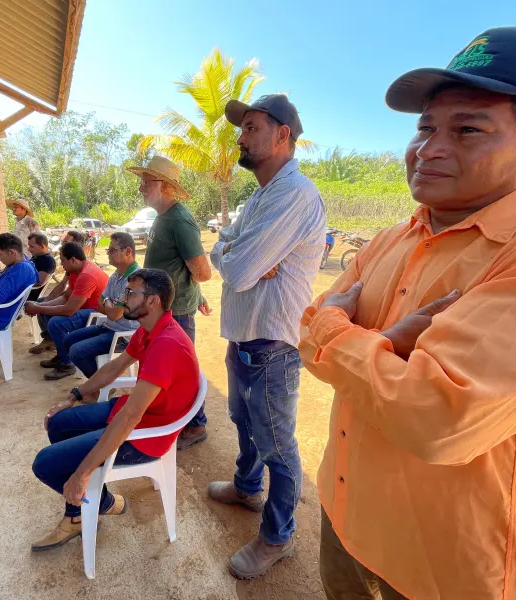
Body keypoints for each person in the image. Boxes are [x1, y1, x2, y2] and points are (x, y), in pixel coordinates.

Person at [300, 28, 516, 600]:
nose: (429, 149)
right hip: (342, 511)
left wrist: (335, 333)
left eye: (467, 129)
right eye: (425, 128)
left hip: (438, 560)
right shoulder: (392, 238)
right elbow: (307, 333)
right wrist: (379, 345)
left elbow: (438, 418)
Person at [206, 94, 326, 580]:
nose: (242, 136)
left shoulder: (294, 194)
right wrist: (235, 253)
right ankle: (247, 487)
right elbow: (222, 254)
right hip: (244, 338)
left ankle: (278, 536)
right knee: (243, 421)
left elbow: (237, 271)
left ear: (282, 135)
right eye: (243, 128)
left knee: (277, 444)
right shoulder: (258, 197)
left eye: (252, 127)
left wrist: (238, 258)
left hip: (274, 346)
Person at [30, 268, 199, 551]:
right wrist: (74, 395)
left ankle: (82, 511)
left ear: (153, 300)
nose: (123, 299)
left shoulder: (167, 344)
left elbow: (131, 417)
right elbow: (115, 367)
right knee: (59, 422)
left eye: (131, 293)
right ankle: (102, 502)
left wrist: (82, 474)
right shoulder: (149, 329)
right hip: (134, 416)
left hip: (146, 437)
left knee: (45, 464)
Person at [127, 156, 212, 449]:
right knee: (164, 369)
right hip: (163, 309)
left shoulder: (179, 221)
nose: (141, 187)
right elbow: (178, 266)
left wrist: (192, 294)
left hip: (177, 312)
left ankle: (196, 424)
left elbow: (202, 272)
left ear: (163, 185)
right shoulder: (162, 216)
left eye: (146, 182)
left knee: (181, 372)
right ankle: (173, 418)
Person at [57, 232, 140, 391]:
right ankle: (102, 383)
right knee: (68, 341)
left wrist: (108, 304)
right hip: (109, 326)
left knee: (77, 351)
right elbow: (100, 303)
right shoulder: (116, 275)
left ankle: (103, 387)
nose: (108, 254)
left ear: (128, 251)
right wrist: (110, 304)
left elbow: (114, 314)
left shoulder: (136, 279)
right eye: (108, 250)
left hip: (125, 335)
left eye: (112, 250)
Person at [23, 242, 108, 379]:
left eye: (62, 260)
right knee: (47, 312)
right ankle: (62, 355)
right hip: (85, 309)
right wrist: (42, 306)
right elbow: (66, 297)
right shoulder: (75, 271)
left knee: (56, 323)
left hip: (97, 315)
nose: (61, 264)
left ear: (73, 260)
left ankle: (67, 364)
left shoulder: (87, 275)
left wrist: (38, 308)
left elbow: (69, 310)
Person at [29, 229, 85, 352]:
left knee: (49, 313)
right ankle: (50, 339)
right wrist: (46, 302)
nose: (62, 245)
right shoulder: (72, 266)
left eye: (66, 242)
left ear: (77, 244)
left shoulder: (81, 268)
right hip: (73, 300)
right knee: (42, 302)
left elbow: (70, 306)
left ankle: (57, 346)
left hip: (81, 306)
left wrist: (41, 307)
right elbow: (63, 287)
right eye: (63, 242)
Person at [27, 232, 56, 301]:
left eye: (32, 246)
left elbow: (39, 282)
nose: (29, 249)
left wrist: (18, 283)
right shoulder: (37, 256)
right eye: (29, 246)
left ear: (42, 246)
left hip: (26, 295)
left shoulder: (47, 260)